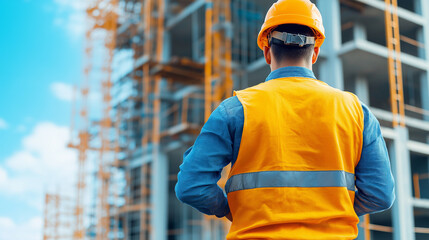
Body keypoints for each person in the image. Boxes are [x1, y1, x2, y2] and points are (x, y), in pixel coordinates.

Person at [175, 0, 395, 239]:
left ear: (267, 51)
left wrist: (236, 211)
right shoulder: (355, 111)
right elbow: (380, 194)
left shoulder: (235, 109)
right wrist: (332, 213)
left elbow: (191, 186)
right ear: (315, 52)